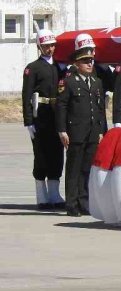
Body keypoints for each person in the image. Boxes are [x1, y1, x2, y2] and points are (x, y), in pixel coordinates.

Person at [55, 43, 107, 217]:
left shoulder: (97, 82)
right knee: (74, 169)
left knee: (87, 169)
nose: (90, 64)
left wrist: (101, 130)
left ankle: (84, 202)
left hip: (92, 132)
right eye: (85, 61)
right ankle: (71, 204)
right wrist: (62, 130)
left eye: (91, 60)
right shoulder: (68, 82)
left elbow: (100, 109)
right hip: (75, 132)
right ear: (77, 64)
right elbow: (61, 107)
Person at [21, 30, 66, 209]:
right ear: (39, 46)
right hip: (40, 116)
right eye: (46, 46)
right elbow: (26, 95)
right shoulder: (33, 68)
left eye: (52, 45)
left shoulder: (59, 67)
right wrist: (28, 121)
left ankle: (54, 193)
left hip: (56, 115)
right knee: (41, 154)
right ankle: (41, 195)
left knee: (57, 154)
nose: (50, 49)